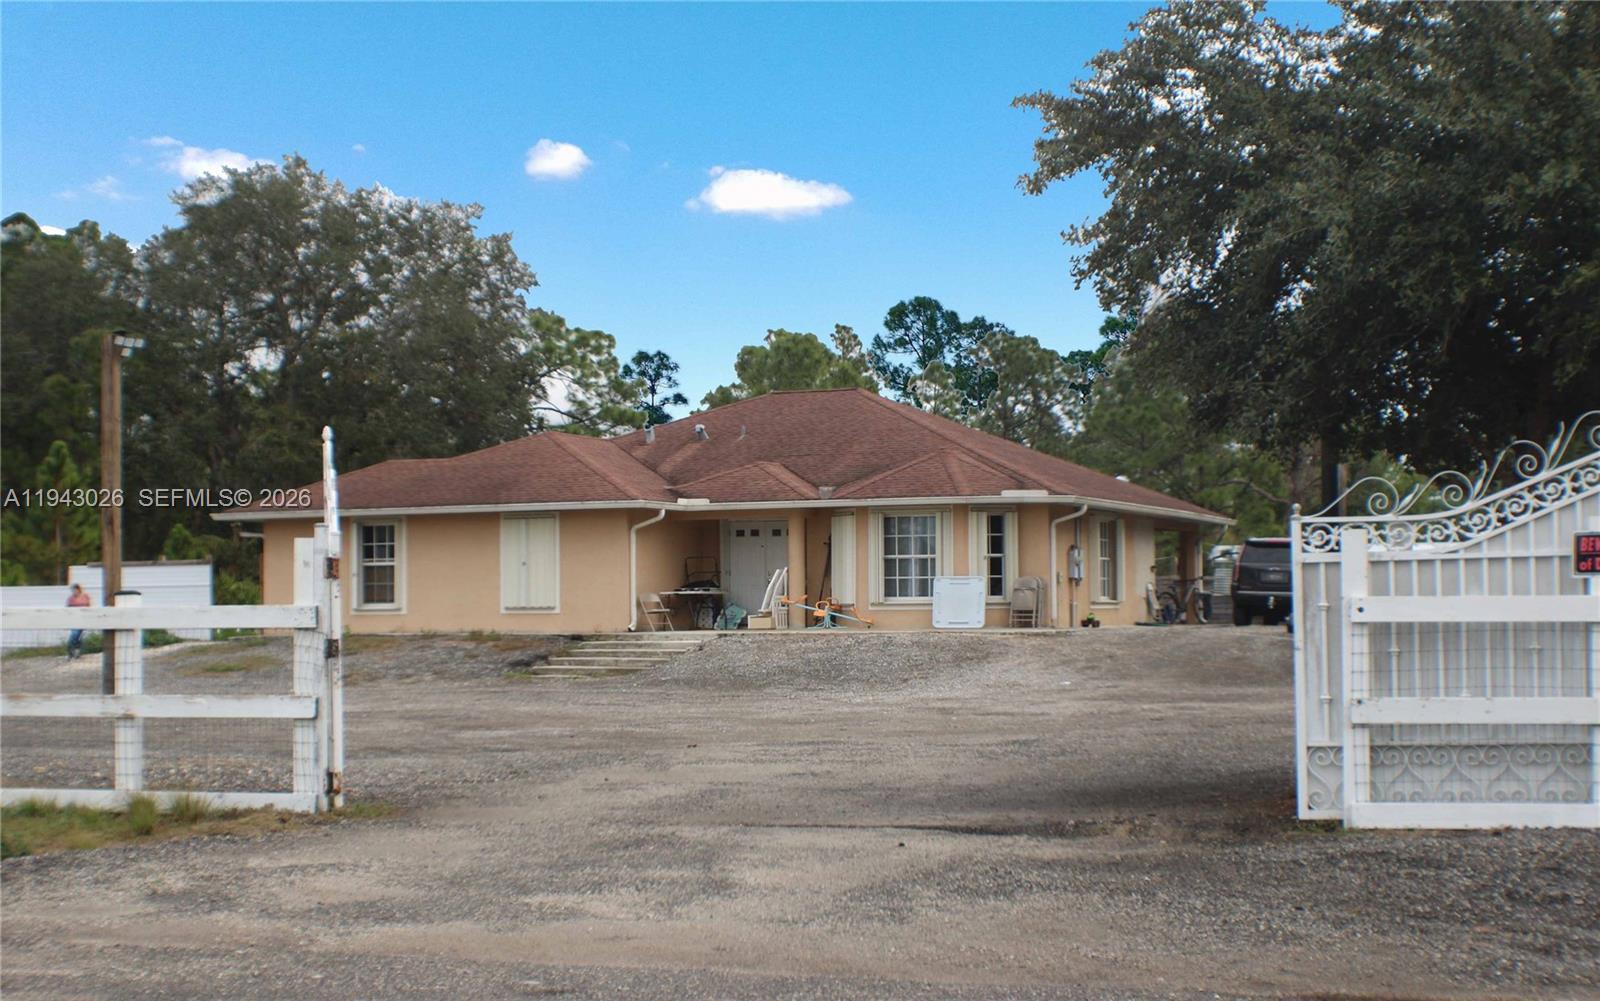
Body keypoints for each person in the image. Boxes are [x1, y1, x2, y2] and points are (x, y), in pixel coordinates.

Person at [65, 583, 91, 660]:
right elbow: (68, 609)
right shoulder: (70, 599)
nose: (74, 592)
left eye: (75, 590)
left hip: (83, 619)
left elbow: (88, 606)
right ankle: (73, 651)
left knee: (78, 635)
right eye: (73, 590)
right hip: (74, 619)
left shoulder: (85, 597)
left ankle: (74, 652)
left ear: (79, 590)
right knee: (75, 634)